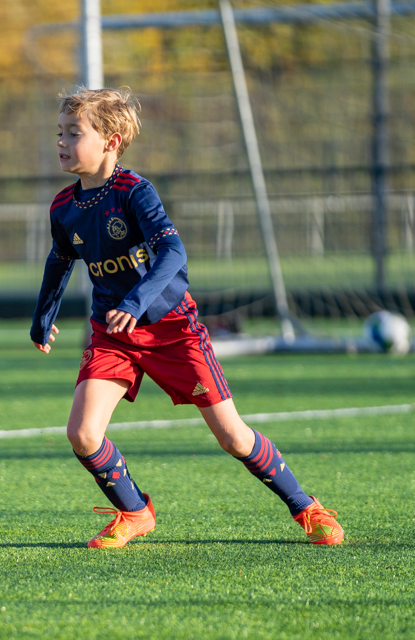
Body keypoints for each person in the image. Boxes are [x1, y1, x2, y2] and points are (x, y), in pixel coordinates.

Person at [30, 88, 343, 549]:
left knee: (234, 438)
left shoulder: (134, 192)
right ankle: (134, 511)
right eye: (59, 132)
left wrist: (135, 303)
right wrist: (43, 314)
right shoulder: (63, 206)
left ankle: (306, 507)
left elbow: (173, 252)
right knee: (82, 433)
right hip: (113, 334)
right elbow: (60, 261)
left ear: (111, 140)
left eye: (74, 133)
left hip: (173, 330)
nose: (61, 141)